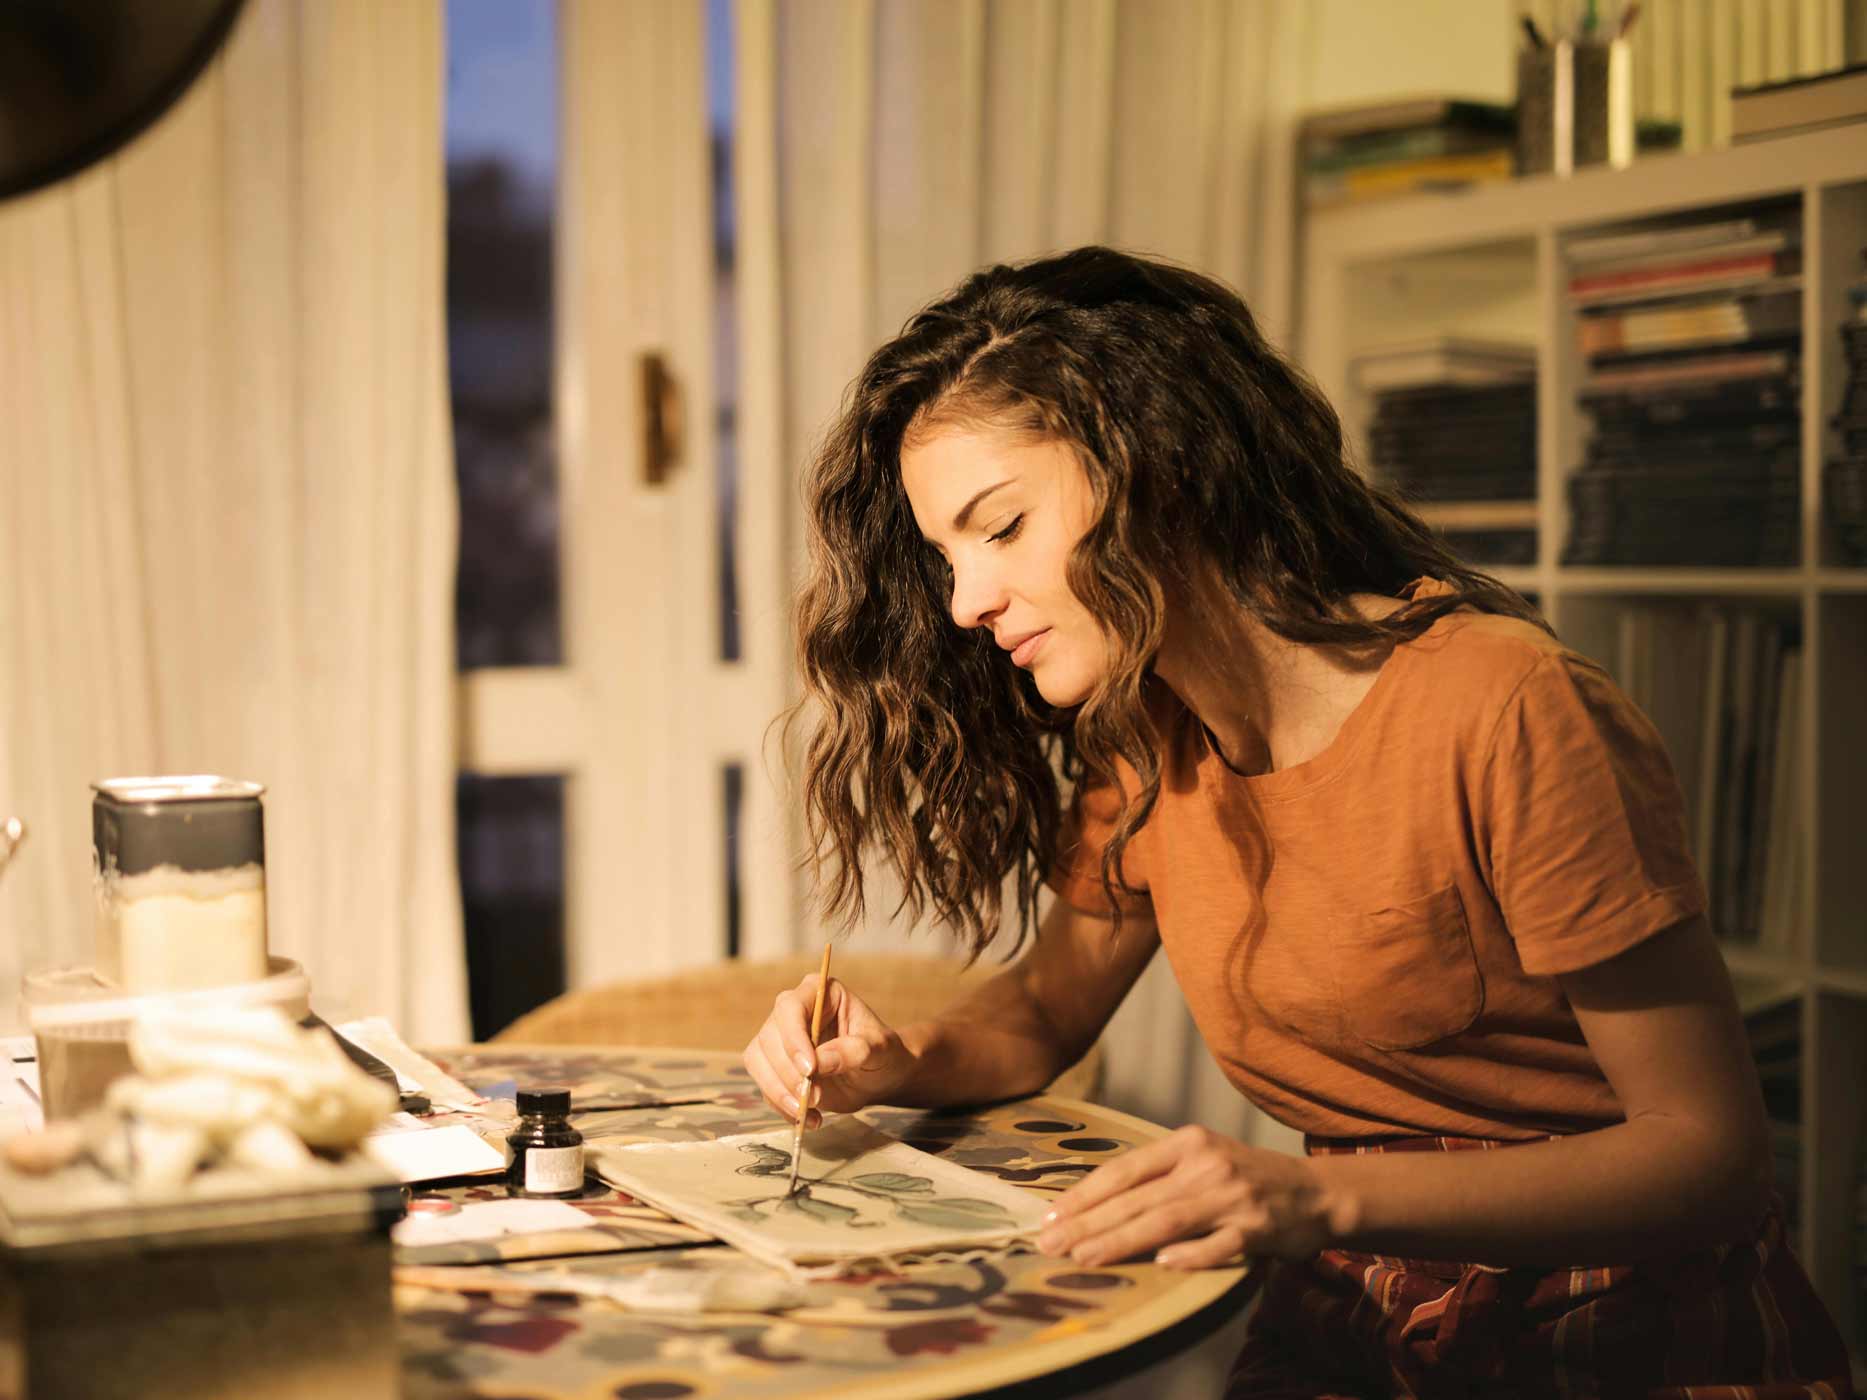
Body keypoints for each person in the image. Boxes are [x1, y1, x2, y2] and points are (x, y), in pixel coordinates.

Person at [741, 246, 1850, 1397]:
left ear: (1152, 461)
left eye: (1001, 527)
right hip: (1356, 1308)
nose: (966, 602)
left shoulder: (1506, 705)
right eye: (944, 556)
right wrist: (897, 1061)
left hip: (1616, 1323)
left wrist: (1309, 1192)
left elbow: (1712, 1154)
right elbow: (1040, 1009)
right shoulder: (1144, 727)